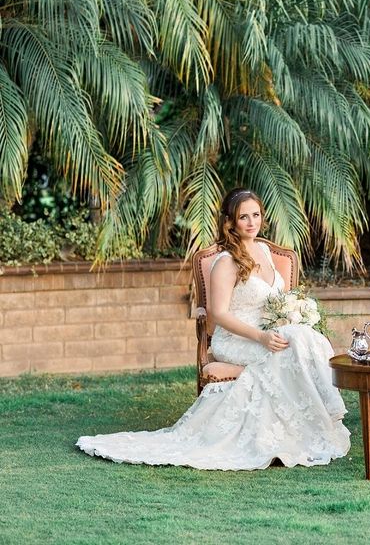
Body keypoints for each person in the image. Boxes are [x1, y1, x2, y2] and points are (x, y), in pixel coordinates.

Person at [77, 188, 350, 469]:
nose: (251, 222)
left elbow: (276, 302)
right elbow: (218, 314)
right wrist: (262, 336)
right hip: (236, 338)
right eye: (243, 217)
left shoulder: (266, 251)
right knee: (293, 343)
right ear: (230, 223)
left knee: (306, 336)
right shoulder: (226, 261)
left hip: (268, 333)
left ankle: (312, 425)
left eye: (255, 215)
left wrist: (289, 317)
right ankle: (315, 419)